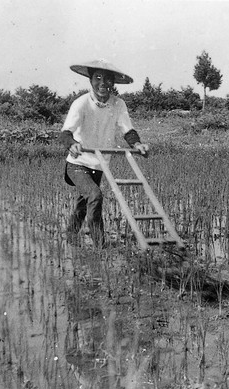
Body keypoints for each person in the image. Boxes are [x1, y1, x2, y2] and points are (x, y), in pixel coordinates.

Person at [60, 59, 149, 248]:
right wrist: (73, 144)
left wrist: (138, 144)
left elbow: (128, 130)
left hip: (99, 163)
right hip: (78, 162)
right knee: (95, 196)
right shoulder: (81, 103)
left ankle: (70, 238)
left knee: (84, 204)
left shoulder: (118, 104)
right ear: (90, 80)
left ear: (113, 83)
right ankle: (100, 246)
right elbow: (66, 132)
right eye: (97, 78)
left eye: (108, 79)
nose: (103, 83)